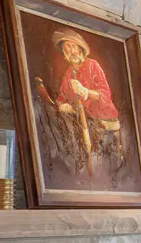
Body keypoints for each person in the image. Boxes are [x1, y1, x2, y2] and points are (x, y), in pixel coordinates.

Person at [33, 28, 123, 173]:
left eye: (73, 46)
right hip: (84, 121)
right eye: (67, 48)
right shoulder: (69, 73)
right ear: (64, 54)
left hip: (104, 121)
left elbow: (105, 95)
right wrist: (63, 105)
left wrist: (86, 92)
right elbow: (61, 98)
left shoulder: (93, 65)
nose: (71, 50)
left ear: (80, 48)